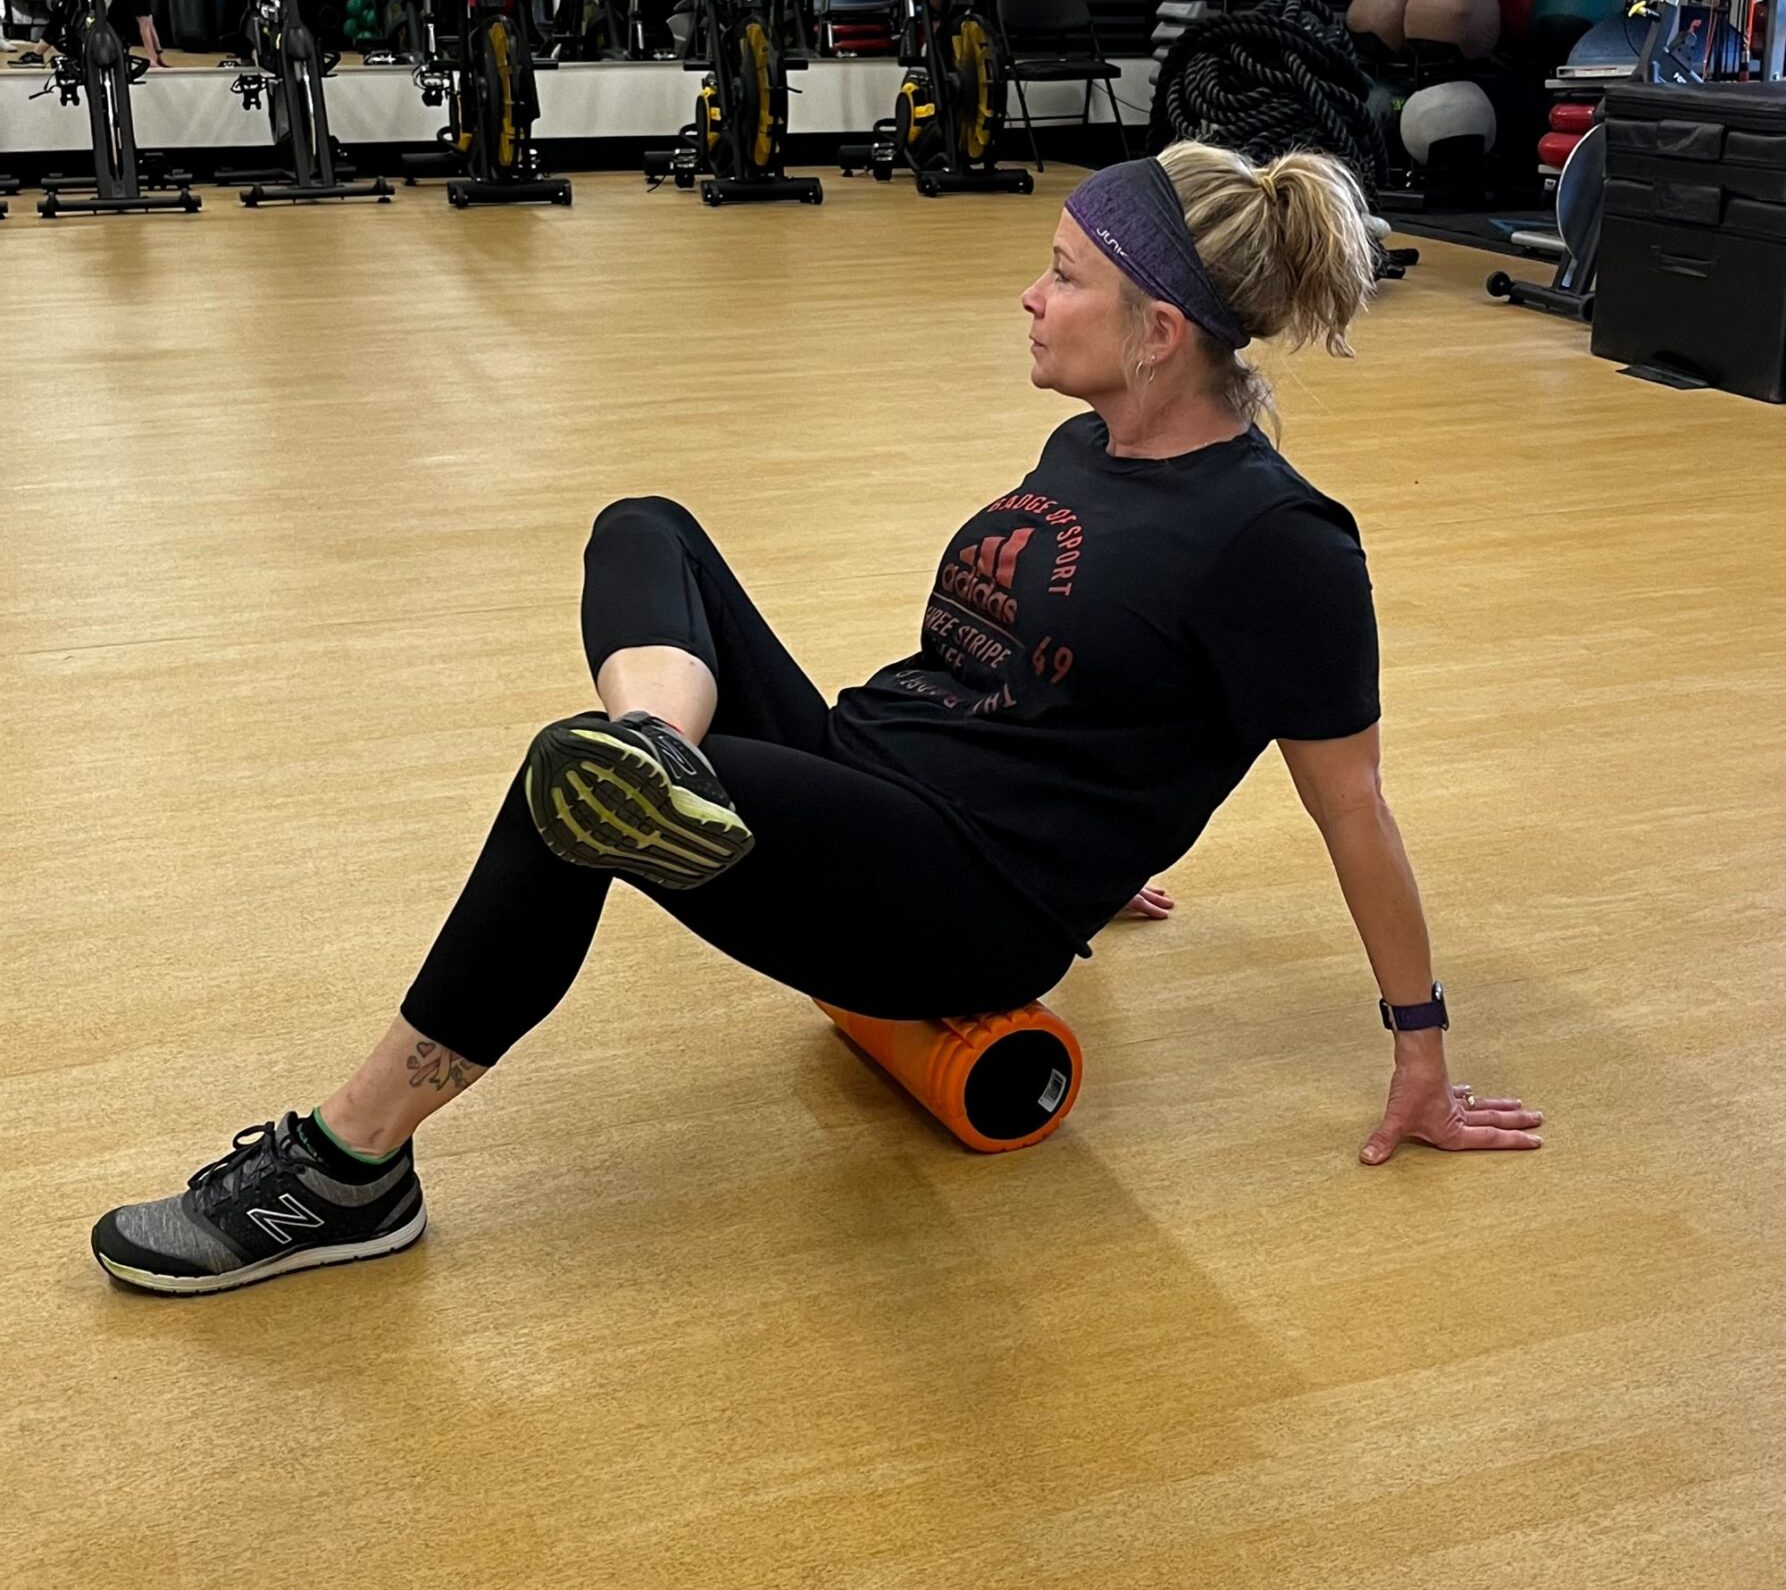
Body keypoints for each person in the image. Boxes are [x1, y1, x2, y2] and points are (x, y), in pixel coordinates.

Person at [90, 143, 1538, 1297]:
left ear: (1161, 331)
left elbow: (1349, 804)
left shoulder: (1280, 542)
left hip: (956, 904)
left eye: (1063, 277)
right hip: (873, 775)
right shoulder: (1085, 440)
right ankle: (657, 749)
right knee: (644, 522)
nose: (1030, 298)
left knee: (557, 789)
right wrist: (1112, 820)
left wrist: (1417, 1046)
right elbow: (1077, 673)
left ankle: (350, 1171)